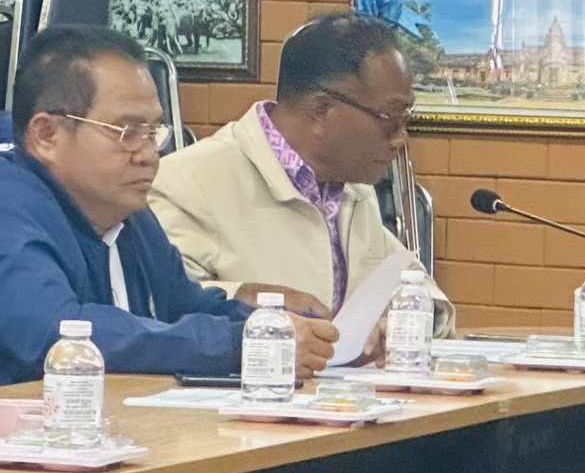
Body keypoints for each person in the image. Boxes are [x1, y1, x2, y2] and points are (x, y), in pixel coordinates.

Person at [0, 25, 337, 386]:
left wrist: (281, 325)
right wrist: (240, 345)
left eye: (153, 132)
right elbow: (55, 334)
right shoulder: (10, 205)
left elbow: (184, 306)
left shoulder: (129, 213)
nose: (149, 154)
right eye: (127, 132)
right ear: (46, 135)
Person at [149, 12, 455, 342]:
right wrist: (254, 302)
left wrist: (406, 317)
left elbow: (414, 285)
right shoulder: (189, 182)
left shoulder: (351, 185)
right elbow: (158, 309)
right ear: (321, 110)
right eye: (390, 119)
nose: (400, 139)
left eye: (407, 118)